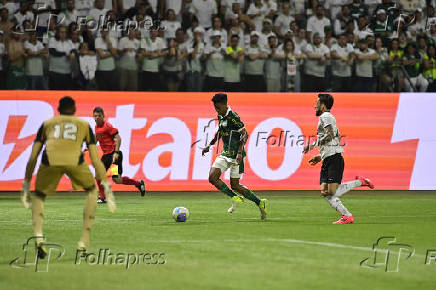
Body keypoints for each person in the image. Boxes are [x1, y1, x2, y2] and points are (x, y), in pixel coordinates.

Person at [20, 96, 116, 257]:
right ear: (74, 110)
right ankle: (83, 242)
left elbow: (33, 156)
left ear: (58, 109)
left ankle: (38, 236)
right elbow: (94, 159)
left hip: (49, 160)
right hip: (74, 161)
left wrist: (26, 184)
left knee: (39, 196)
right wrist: (106, 186)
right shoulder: (83, 125)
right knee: (92, 191)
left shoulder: (47, 124)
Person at [303, 94, 374, 224]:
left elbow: (330, 135)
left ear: (323, 105)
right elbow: (335, 137)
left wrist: (313, 145)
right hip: (329, 158)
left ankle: (359, 184)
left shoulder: (326, 116)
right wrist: (320, 156)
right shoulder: (327, 118)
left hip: (334, 159)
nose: (315, 106)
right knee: (325, 192)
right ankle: (346, 215)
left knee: (331, 191)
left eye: (317, 103)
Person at [202, 93, 268, 220]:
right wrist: (209, 145)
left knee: (235, 185)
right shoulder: (221, 115)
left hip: (236, 156)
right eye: (215, 108)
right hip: (226, 153)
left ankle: (260, 202)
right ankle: (235, 197)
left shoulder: (233, 117)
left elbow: (245, 134)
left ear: (224, 104)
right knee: (212, 177)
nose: (216, 110)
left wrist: (239, 152)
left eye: (218, 107)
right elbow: (219, 132)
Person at [93, 106, 146, 203]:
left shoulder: (107, 126)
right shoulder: (96, 127)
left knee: (117, 180)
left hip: (114, 156)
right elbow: (97, 138)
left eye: (99, 116)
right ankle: (102, 197)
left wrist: (116, 152)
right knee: (97, 175)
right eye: (95, 116)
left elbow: (118, 138)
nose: (97, 118)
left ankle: (138, 184)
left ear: (103, 116)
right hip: (106, 156)